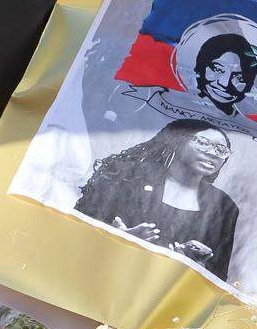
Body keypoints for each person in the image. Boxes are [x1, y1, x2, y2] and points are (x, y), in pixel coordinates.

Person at [75, 118, 239, 280]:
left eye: (221, 150)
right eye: (203, 143)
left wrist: (197, 265)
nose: (212, 153)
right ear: (177, 140)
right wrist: (118, 239)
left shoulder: (224, 205)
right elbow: (74, 229)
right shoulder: (128, 177)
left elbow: (218, 274)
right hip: (102, 279)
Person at [191, 32, 257, 118]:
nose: (224, 83)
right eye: (218, 69)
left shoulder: (253, 123)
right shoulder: (176, 98)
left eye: (239, 78)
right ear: (201, 66)